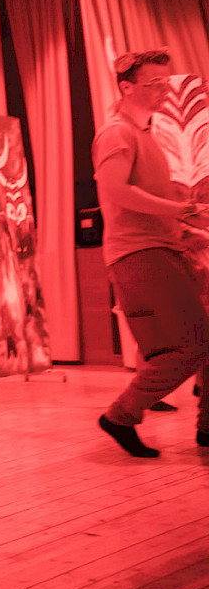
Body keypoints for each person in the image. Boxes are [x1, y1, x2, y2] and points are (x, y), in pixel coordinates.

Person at [93, 48, 209, 457]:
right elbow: (115, 192)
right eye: (154, 83)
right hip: (138, 253)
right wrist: (184, 211)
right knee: (194, 344)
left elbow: (148, 205)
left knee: (195, 341)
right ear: (127, 88)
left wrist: (186, 229)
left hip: (159, 248)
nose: (165, 90)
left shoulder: (146, 135)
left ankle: (206, 426)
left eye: (166, 81)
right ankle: (121, 414)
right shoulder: (116, 133)